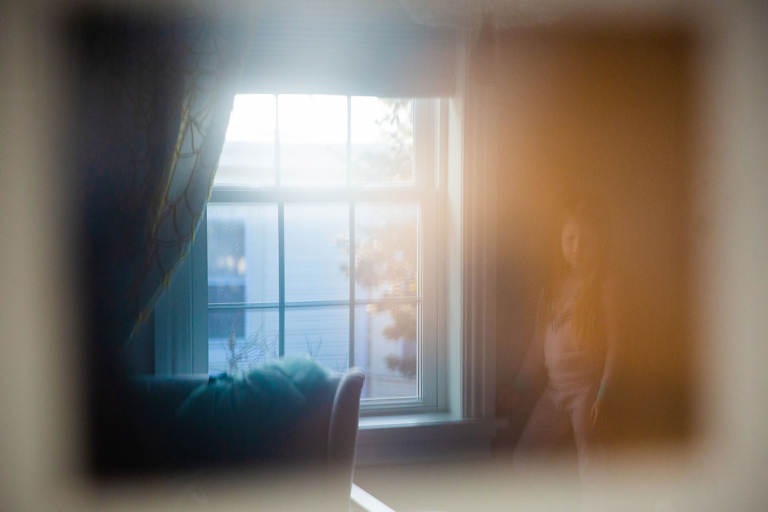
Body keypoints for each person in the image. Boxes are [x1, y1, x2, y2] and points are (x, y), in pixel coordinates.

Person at [503, 197, 618, 481]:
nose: (577, 248)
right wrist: (519, 386)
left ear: (600, 243)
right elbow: (536, 343)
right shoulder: (553, 287)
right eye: (570, 238)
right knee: (525, 460)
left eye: (586, 241)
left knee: (593, 468)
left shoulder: (605, 286)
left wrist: (604, 394)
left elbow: (618, 345)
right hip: (553, 391)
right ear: (560, 239)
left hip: (587, 391)